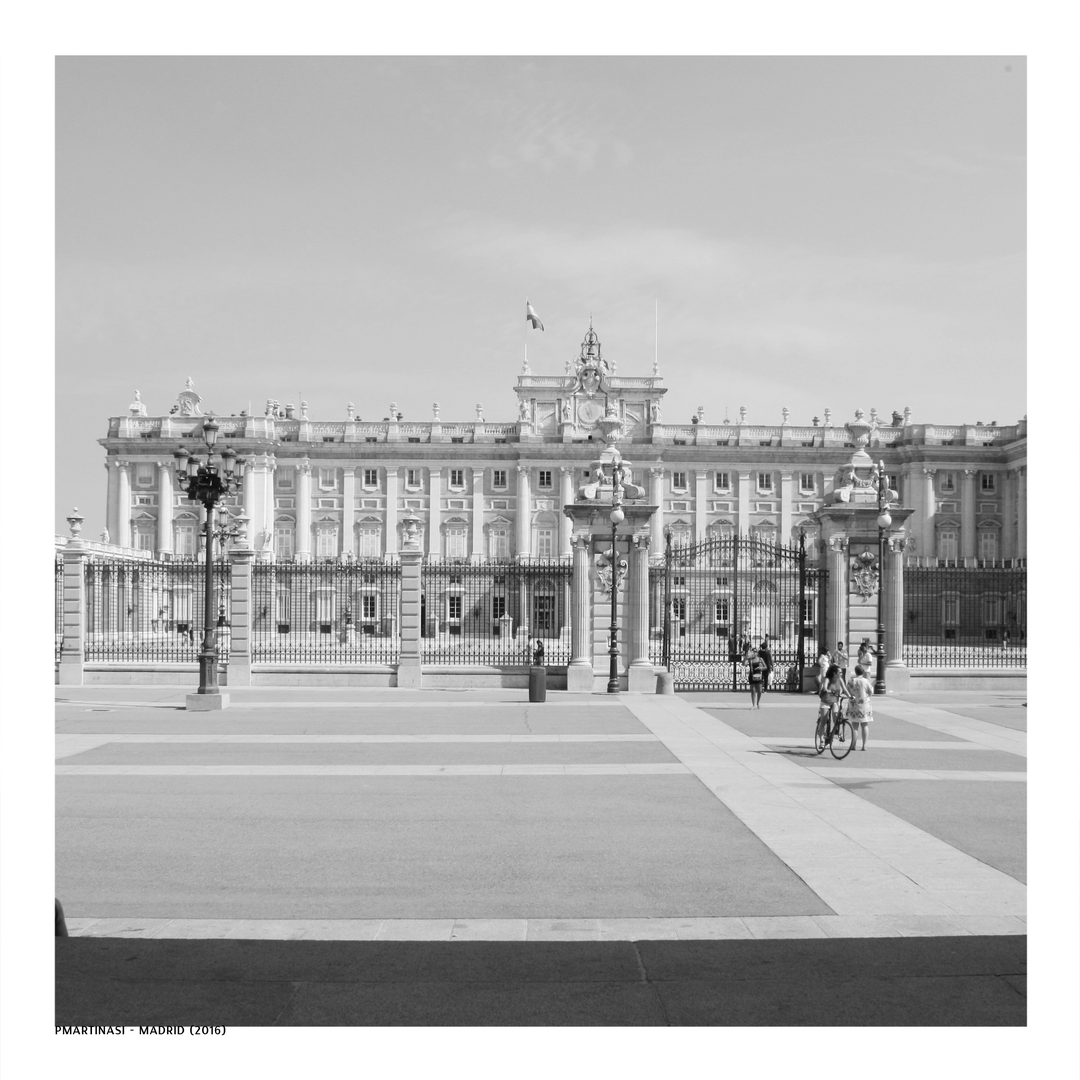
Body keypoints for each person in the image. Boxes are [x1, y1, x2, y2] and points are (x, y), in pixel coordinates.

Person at [816, 663, 850, 746]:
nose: (841, 674)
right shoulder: (828, 679)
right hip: (825, 701)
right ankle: (821, 740)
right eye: (840, 672)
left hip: (835, 701)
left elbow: (845, 689)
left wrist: (850, 696)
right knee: (823, 721)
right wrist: (827, 690)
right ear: (834, 673)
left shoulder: (840, 680)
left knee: (836, 717)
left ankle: (833, 734)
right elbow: (825, 687)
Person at [847, 664, 875, 750]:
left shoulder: (851, 681)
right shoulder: (865, 681)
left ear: (855, 672)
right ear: (863, 672)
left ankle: (853, 745)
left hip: (854, 705)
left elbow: (847, 691)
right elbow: (871, 691)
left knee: (854, 726)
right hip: (864, 705)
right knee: (864, 725)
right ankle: (864, 745)